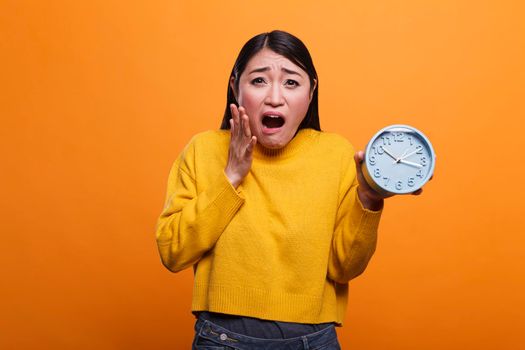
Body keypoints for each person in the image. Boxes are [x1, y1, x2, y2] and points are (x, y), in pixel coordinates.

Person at [155, 30, 422, 349]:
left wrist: (369, 196)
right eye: (258, 81)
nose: (274, 97)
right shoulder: (203, 150)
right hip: (222, 339)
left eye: (291, 82)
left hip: (312, 340)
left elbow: (344, 267)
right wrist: (231, 176)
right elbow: (173, 252)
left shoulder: (336, 154)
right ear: (235, 87)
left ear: (311, 93)